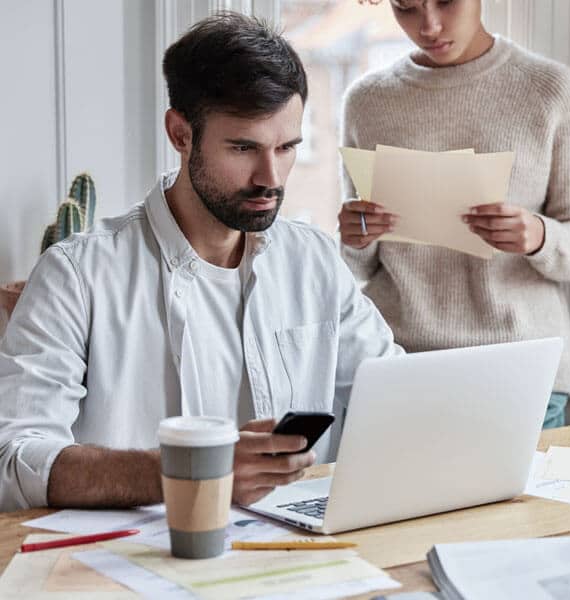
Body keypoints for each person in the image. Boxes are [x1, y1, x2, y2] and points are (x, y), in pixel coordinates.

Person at [0, 13, 400, 512]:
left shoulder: (314, 259)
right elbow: (14, 462)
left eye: (287, 147)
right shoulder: (75, 276)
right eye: (243, 148)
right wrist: (191, 471)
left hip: (295, 559)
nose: (270, 177)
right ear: (180, 134)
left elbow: (395, 398)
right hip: (130, 568)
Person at [338, 0, 570, 428]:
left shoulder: (549, 88)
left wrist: (537, 236)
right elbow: (360, 265)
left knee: (517, 499)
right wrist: (355, 234)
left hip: (519, 367)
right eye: (406, 8)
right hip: (398, 362)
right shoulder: (368, 101)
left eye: (445, 2)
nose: (429, 26)